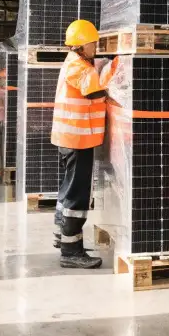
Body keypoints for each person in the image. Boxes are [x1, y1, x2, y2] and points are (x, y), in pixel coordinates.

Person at [53, 20, 120, 269]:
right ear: (82, 46)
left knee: (68, 189)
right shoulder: (77, 66)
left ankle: (62, 237)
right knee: (77, 195)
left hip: (74, 138)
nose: (95, 48)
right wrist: (116, 69)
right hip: (77, 139)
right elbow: (95, 91)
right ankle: (71, 252)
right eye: (93, 44)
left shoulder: (78, 63)